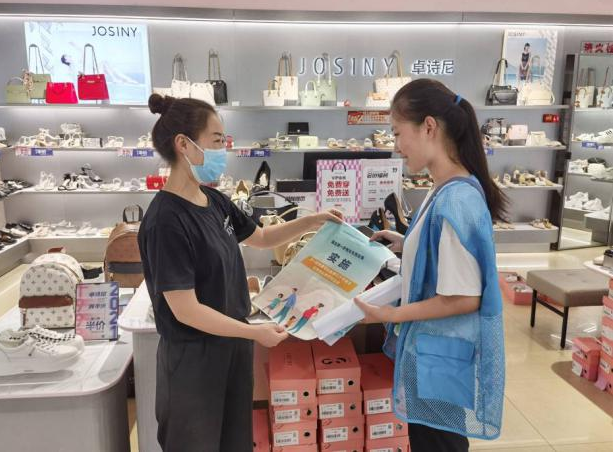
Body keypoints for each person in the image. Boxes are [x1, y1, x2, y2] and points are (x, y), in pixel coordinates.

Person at [138, 94, 343, 452]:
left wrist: (314, 220)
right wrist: (253, 332)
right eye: (217, 140)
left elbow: (261, 237)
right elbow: (186, 310)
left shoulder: (214, 201)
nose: (224, 149)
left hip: (232, 348)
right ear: (183, 144)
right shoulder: (165, 222)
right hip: (193, 360)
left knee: (234, 441)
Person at [354, 79, 506, 452]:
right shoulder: (444, 188)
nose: (395, 145)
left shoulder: (456, 201)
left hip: (441, 356)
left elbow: (464, 298)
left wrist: (390, 314)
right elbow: (443, 254)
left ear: (429, 127)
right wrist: (406, 243)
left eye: (397, 133)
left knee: (439, 443)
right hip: (435, 352)